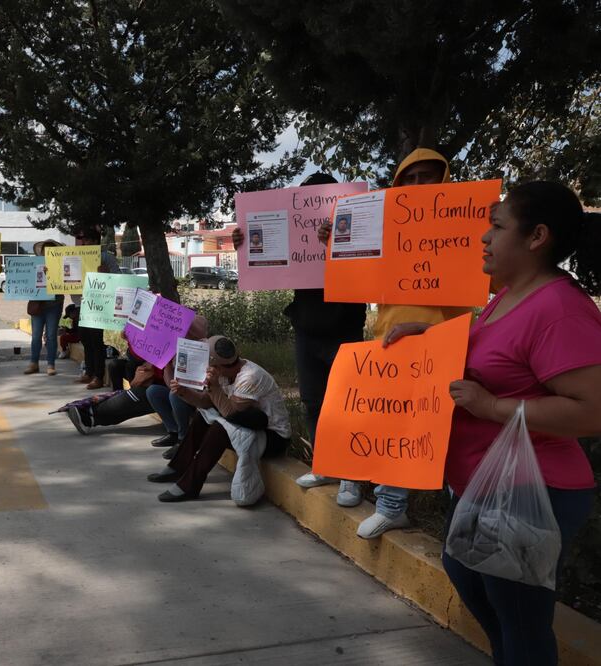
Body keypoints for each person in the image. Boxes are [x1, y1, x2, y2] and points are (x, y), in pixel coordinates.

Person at [385, 181, 600, 666]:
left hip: (531, 490)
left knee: (521, 622)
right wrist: (431, 337)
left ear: (536, 236)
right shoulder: (509, 296)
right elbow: (497, 356)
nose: (484, 237)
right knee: (472, 582)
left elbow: (592, 410)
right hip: (485, 484)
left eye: (497, 226)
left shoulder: (560, 310)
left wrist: (492, 408)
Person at [317, 149, 471, 538]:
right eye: (411, 178)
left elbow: (496, 283)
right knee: (391, 423)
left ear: (444, 180)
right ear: (399, 184)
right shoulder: (385, 230)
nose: (419, 185)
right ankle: (389, 504)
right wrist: (334, 243)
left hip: (445, 343)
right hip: (390, 341)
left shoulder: (466, 230)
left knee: (438, 426)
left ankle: (459, 511)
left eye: (428, 177)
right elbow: (356, 277)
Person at [233, 173, 367, 489]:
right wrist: (244, 246)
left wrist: (339, 242)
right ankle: (324, 464)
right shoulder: (294, 234)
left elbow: (370, 268)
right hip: (307, 329)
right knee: (312, 401)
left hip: (344, 330)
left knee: (346, 404)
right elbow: (267, 265)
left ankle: (350, 475)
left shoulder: (356, 229)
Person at [147, 336, 291, 504]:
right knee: (204, 415)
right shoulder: (223, 373)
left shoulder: (250, 376)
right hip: (251, 425)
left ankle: (190, 485)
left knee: (220, 428)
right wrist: (183, 392)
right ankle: (177, 467)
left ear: (216, 365)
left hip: (274, 438)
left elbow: (231, 413)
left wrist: (214, 387)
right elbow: (206, 403)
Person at [145, 315, 211, 459]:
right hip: (183, 393)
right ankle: (173, 432)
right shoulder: (179, 348)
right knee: (153, 391)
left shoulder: (208, 348)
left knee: (175, 394)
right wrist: (167, 365)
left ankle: (183, 440)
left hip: (203, 396)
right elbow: (170, 384)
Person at [71, 227, 121, 388]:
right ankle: (89, 372)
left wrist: (106, 273)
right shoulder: (76, 257)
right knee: (85, 339)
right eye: (81, 240)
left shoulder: (106, 257)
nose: (83, 243)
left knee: (96, 341)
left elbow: (118, 278)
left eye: (86, 240)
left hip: (98, 305)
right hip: (81, 303)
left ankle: (98, 377)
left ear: (94, 241)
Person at [25, 239, 65, 376]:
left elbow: (66, 283)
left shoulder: (60, 265)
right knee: (35, 336)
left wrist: (53, 273)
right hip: (37, 304)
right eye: (45, 250)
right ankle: (33, 363)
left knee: (51, 335)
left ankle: (50, 364)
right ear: (41, 252)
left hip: (54, 305)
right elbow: (26, 281)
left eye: (50, 250)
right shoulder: (33, 265)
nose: (47, 253)